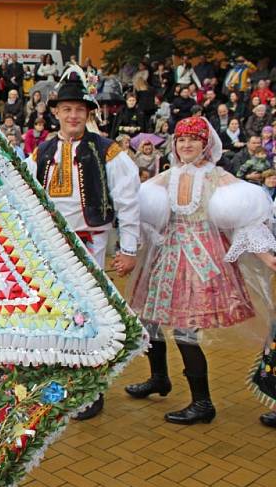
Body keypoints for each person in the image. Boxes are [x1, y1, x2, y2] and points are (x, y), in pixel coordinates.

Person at [125, 116, 276, 424]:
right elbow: (138, 210)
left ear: (206, 144)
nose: (187, 145)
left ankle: (202, 402)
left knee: (185, 331)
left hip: (201, 261)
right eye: (181, 140)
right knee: (147, 320)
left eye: (193, 139)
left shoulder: (217, 176)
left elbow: (246, 218)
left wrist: (269, 260)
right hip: (164, 256)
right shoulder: (168, 176)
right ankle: (159, 378)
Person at [26, 66, 141, 419]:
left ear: (89, 114)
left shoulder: (108, 151)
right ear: (56, 112)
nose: (73, 115)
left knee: (93, 315)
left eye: (79, 110)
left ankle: (93, 390)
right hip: (53, 246)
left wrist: (129, 248)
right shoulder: (40, 153)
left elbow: (128, 200)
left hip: (92, 244)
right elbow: (26, 197)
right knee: (59, 313)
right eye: (66, 109)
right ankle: (64, 382)